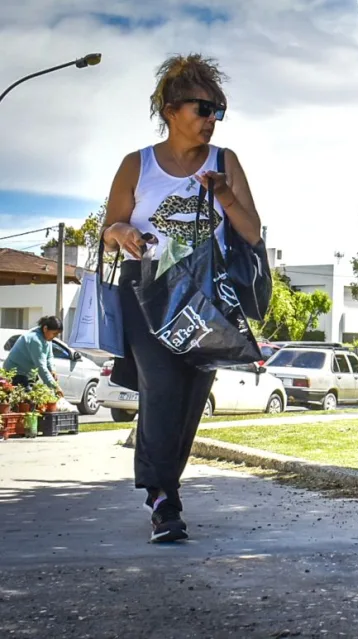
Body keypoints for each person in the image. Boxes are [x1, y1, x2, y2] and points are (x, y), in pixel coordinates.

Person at [101, 54, 262, 543]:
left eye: (218, 111)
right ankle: (163, 499)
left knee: (192, 395)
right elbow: (110, 226)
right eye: (203, 109)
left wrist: (224, 196)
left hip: (205, 295)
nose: (212, 120)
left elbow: (252, 232)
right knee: (162, 387)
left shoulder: (224, 162)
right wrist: (123, 230)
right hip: (147, 288)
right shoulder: (138, 164)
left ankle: (164, 486)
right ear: (171, 109)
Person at [4, 316, 65, 396]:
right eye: (54, 333)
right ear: (45, 328)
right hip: (15, 373)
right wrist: (55, 386)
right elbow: (41, 367)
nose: (55, 336)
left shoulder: (46, 338)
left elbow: (49, 356)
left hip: (27, 373)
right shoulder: (35, 339)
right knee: (28, 400)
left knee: (35, 397)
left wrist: (52, 369)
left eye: (57, 334)